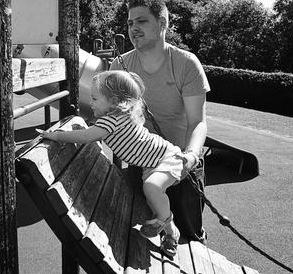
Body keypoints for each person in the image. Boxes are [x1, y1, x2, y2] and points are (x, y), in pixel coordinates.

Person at [40, 70, 191, 257]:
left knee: (152, 189)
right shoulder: (113, 118)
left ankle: (162, 221)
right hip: (152, 164)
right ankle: (171, 232)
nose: (91, 102)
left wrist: (56, 136)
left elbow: (86, 136)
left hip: (166, 158)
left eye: (95, 99)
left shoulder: (112, 120)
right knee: (154, 198)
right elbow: (93, 131)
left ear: (115, 101)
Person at [109, 0, 210, 244]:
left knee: (191, 239)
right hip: (141, 162)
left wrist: (191, 157)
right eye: (130, 23)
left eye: (142, 21)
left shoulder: (187, 64)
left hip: (184, 164)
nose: (133, 28)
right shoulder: (119, 67)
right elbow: (114, 119)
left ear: (162, 23)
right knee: (134, 241)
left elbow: (198, 122)